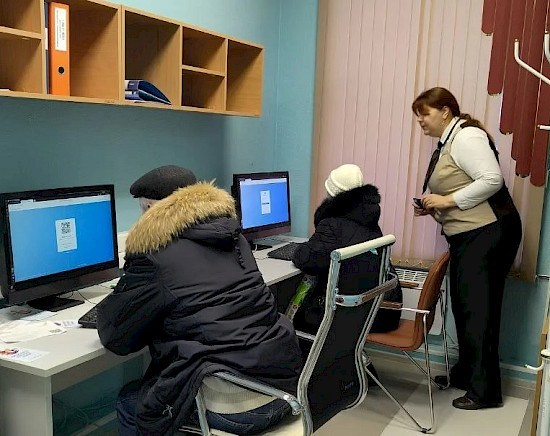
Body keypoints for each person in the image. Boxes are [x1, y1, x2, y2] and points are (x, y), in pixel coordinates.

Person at [96, 165, 302, 435]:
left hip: (233, 406)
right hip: (281, 389)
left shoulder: (155, 254)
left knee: (130, 402)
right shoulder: (235, 238)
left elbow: (116, 338)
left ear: (151, 209)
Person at [411, 87, 522, 410]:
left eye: (424, 114)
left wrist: (446, 201)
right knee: (465, 308)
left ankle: (485, 392)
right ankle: (466, 375)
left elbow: (492, 180)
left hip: (488, 234)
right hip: (470, 236)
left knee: (479, 311)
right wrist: (435, 207)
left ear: (445, 111)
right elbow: (463, 186)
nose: (420, 121)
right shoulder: (450, 141)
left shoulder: (467, 137)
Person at [291, 164, 402, 336]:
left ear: (332, 195)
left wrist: (297, 249)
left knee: (290, 318)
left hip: (349, 312)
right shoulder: (369, 221)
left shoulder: (332, 224)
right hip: (378, 309)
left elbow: (308, 260)